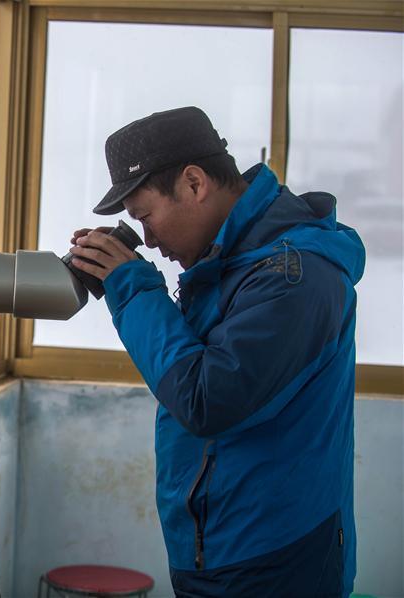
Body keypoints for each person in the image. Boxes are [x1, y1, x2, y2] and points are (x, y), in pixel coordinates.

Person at [68, 106, 364, 597]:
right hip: (218, 548)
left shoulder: (294, 276)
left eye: (145, 217)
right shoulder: (229, 264)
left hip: (273, 561)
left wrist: (134, 288)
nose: (148, 238)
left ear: (193, 183)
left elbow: (207, 399)